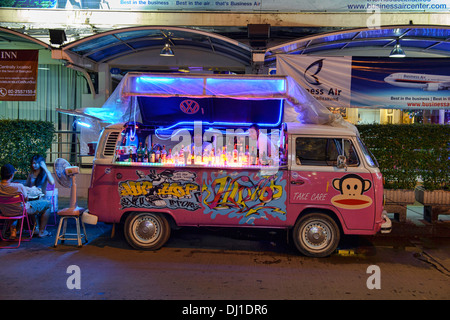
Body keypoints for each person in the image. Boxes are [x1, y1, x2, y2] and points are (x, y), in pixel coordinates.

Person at [0, 164, 51, 238]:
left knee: (20, 205)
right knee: (48, 204)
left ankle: (17, 229)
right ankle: (42, 232)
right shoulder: (18, 186)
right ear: (11, 175)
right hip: (20, 211)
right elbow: (26, 199)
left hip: (4, 211)